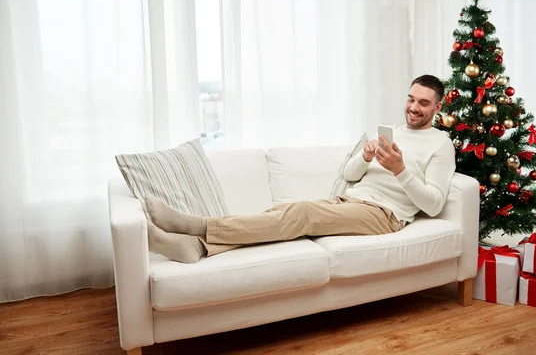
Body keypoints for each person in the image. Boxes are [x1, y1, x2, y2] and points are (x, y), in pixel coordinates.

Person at [146, 75, 456, 263]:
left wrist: (400, 170)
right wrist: (364, 157)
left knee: (300, 215)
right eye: (411, 99)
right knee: (284, 213)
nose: (414, 108)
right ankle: (197, 248)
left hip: (385, 215)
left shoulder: (440, 144)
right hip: (351, 201)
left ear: (437, 107)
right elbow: (349, 176)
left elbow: (433, 204)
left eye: (424, 103)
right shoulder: (393, 132)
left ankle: (198, 226)